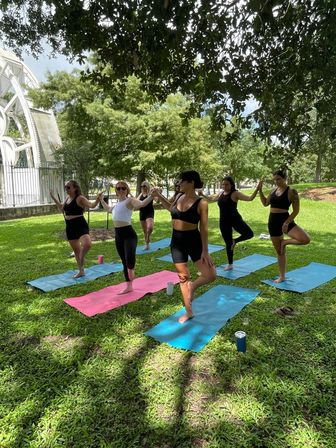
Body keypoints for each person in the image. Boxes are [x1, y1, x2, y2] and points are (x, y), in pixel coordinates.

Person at [152, 170, 216, 323]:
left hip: (194, 240)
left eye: (182, 181)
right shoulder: (179, 196)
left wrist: (205, 251)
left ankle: (192, 287)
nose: (179, 183)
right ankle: (188, 311)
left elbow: (204, 228)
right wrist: (159, 196)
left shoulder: (202, 203)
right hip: (177, 241)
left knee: (211, 275)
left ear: (191, 182)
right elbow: (171, 209)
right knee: (183, 277)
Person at [99, 181, 154, 294]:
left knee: (129, 258)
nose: (121, 190)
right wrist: (100, 200)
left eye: (123, 188)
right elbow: (109, 209)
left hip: (129, 234)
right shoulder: (116, 205)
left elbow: (142, 204)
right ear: (116, 191)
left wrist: (152, 196)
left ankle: (132, 269)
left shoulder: (130, 201)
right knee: (124, 261)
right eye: (118, 188)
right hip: (118, 235)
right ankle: (129, 286)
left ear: (127, 190)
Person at [259, 170, 310, 283]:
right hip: (273, 222)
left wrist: (286, 223)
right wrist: (260, 190)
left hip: (285, 220)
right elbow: (265, 203)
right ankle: (282, 276)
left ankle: (285, 242)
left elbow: (296, 211)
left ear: (284, 178)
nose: (276, 182)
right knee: (280, 252)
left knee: (305, 239)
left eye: (279, 179)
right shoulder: (273, 190)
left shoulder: (291, 191)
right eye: (275, 179)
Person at [204, 176, 260, 270]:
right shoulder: (221, 193)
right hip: (223, 221)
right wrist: (203, 194)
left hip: (235, 220)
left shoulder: (235, 194)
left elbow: (249, 198)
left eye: (226, 184)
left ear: (231, 185)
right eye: (223, 184)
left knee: (249, 234)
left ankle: (235, 241)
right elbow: (211, 199)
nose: (224, 186)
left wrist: (257, 189)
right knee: (228, 243)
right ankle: (230, 264)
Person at [50, 180, 101, 278]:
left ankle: (82, 256)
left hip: (80, 224)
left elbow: (92, 205)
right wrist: (53, 197)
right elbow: (61, 208)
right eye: (65, 187)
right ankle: (81, 271)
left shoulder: (80, 198)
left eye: (68, 187)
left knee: (87, 244)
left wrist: (98, 200)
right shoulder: (67, 198)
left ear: (75, 188)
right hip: (70, 226)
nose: (66, 189)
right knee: (77, 251)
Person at [137, 181, 154, 250]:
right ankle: (147, 245)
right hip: (142, 213)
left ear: (147, 186)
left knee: (150, 227)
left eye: (144, 186)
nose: (143, 187)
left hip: (149, 212)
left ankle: (148, 237)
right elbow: (136, 201)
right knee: (144, 231)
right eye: (141, 186)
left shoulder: (150, 194)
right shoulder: (141, 194)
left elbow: (156, 199)